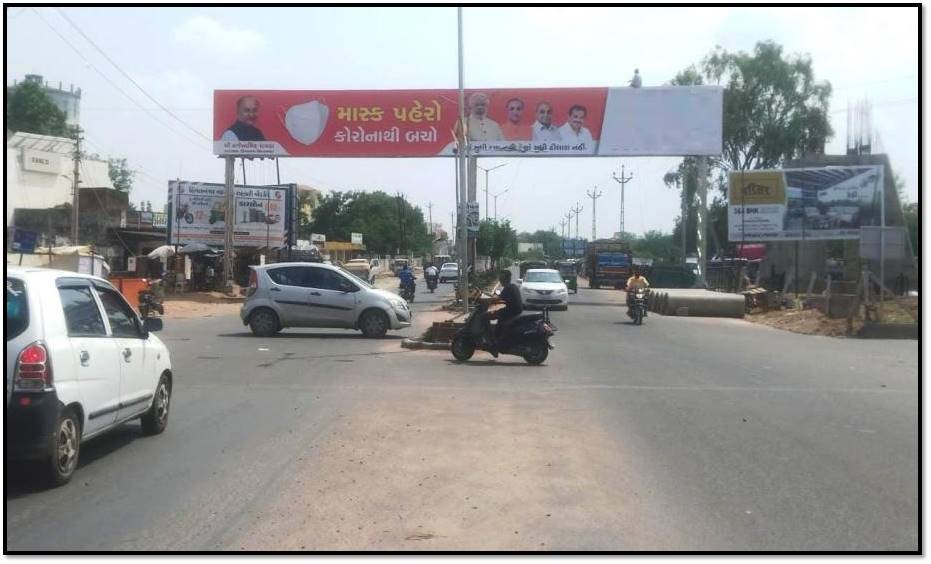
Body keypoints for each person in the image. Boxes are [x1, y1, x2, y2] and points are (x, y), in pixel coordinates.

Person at [485, 270, 523, 357]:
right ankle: (496, 344)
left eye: (501, 278)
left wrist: (489, 300)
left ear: (505, 279)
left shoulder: (508, 288)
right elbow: (501, 298)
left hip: (512, 312)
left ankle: (496, 346)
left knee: (492, 316)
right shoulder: (512, 287)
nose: (500, 280)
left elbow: (498, 299)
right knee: (495, 314)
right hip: (513, 310)